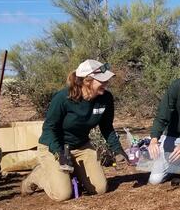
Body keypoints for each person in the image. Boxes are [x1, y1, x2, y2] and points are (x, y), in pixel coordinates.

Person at [22, 59, 128, 201]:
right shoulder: (63, 98)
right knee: (63, 195)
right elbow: (49, 128)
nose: (106, 83)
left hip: (81, 146)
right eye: (102, 80)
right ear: (87, 81)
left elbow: (107, 127)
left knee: (100, 188)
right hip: (54, 146)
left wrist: (118, 150)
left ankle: (71, 173)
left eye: (107, 80)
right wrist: (59, 153)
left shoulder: (106, 98)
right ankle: (38, 174)